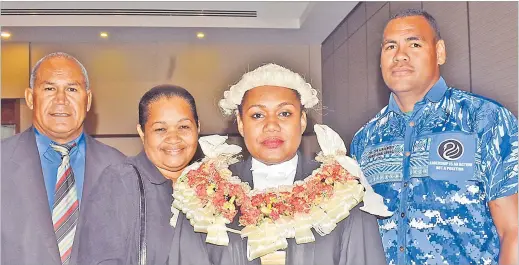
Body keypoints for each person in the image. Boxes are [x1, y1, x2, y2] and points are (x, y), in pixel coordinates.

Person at [350, 9, 518, 265]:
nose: (400, 55)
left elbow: (513, 231)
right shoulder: (365, 140)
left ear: (439, 52)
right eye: (390, 47)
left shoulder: (484, 119)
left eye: (414, 43)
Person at [191, 63, 388, 265]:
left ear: (302, 121)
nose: (271, 126)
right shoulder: (205, 196)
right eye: (257, 115)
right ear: (241, 124)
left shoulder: (343, 191)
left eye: (284, 113)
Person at [1, 52, 126, 265]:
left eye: (72, 89)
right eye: (49, 88)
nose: (61, 99)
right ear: (31, 98)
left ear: (88, 100)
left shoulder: (120, 167)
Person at [76, 85, 210, 265]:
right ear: (141, 132)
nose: (173, 138)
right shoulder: (120, 182)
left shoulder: (213, 185)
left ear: (198, 128)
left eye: (184, 126)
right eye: (160, 129)